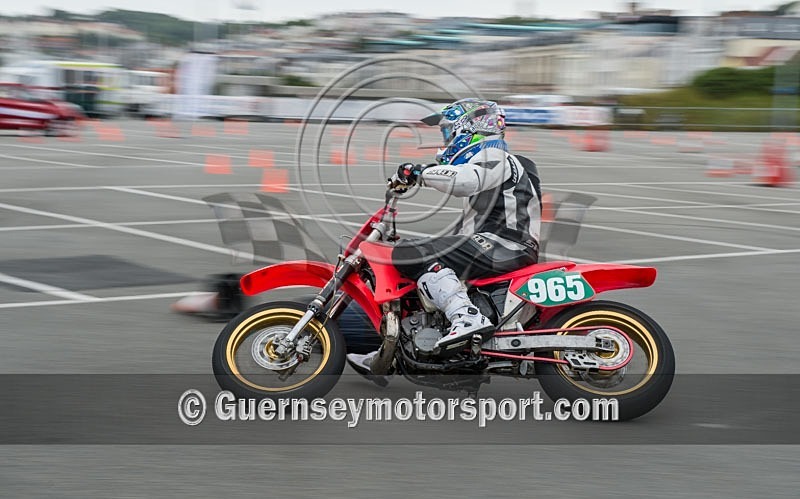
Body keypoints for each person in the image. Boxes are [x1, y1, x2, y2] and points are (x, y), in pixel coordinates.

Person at [347, 98, 542, 375]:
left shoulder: (495, 156)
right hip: (495, 244)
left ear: (470, 128)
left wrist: (419, 172)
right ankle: (400, 348)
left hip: (506, 244)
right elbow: (463, 231)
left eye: (449, 131)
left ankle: (467, 318)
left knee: (410, 254)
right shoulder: (490, 164)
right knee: (415, 254)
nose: (446, 139)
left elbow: (464, 181)